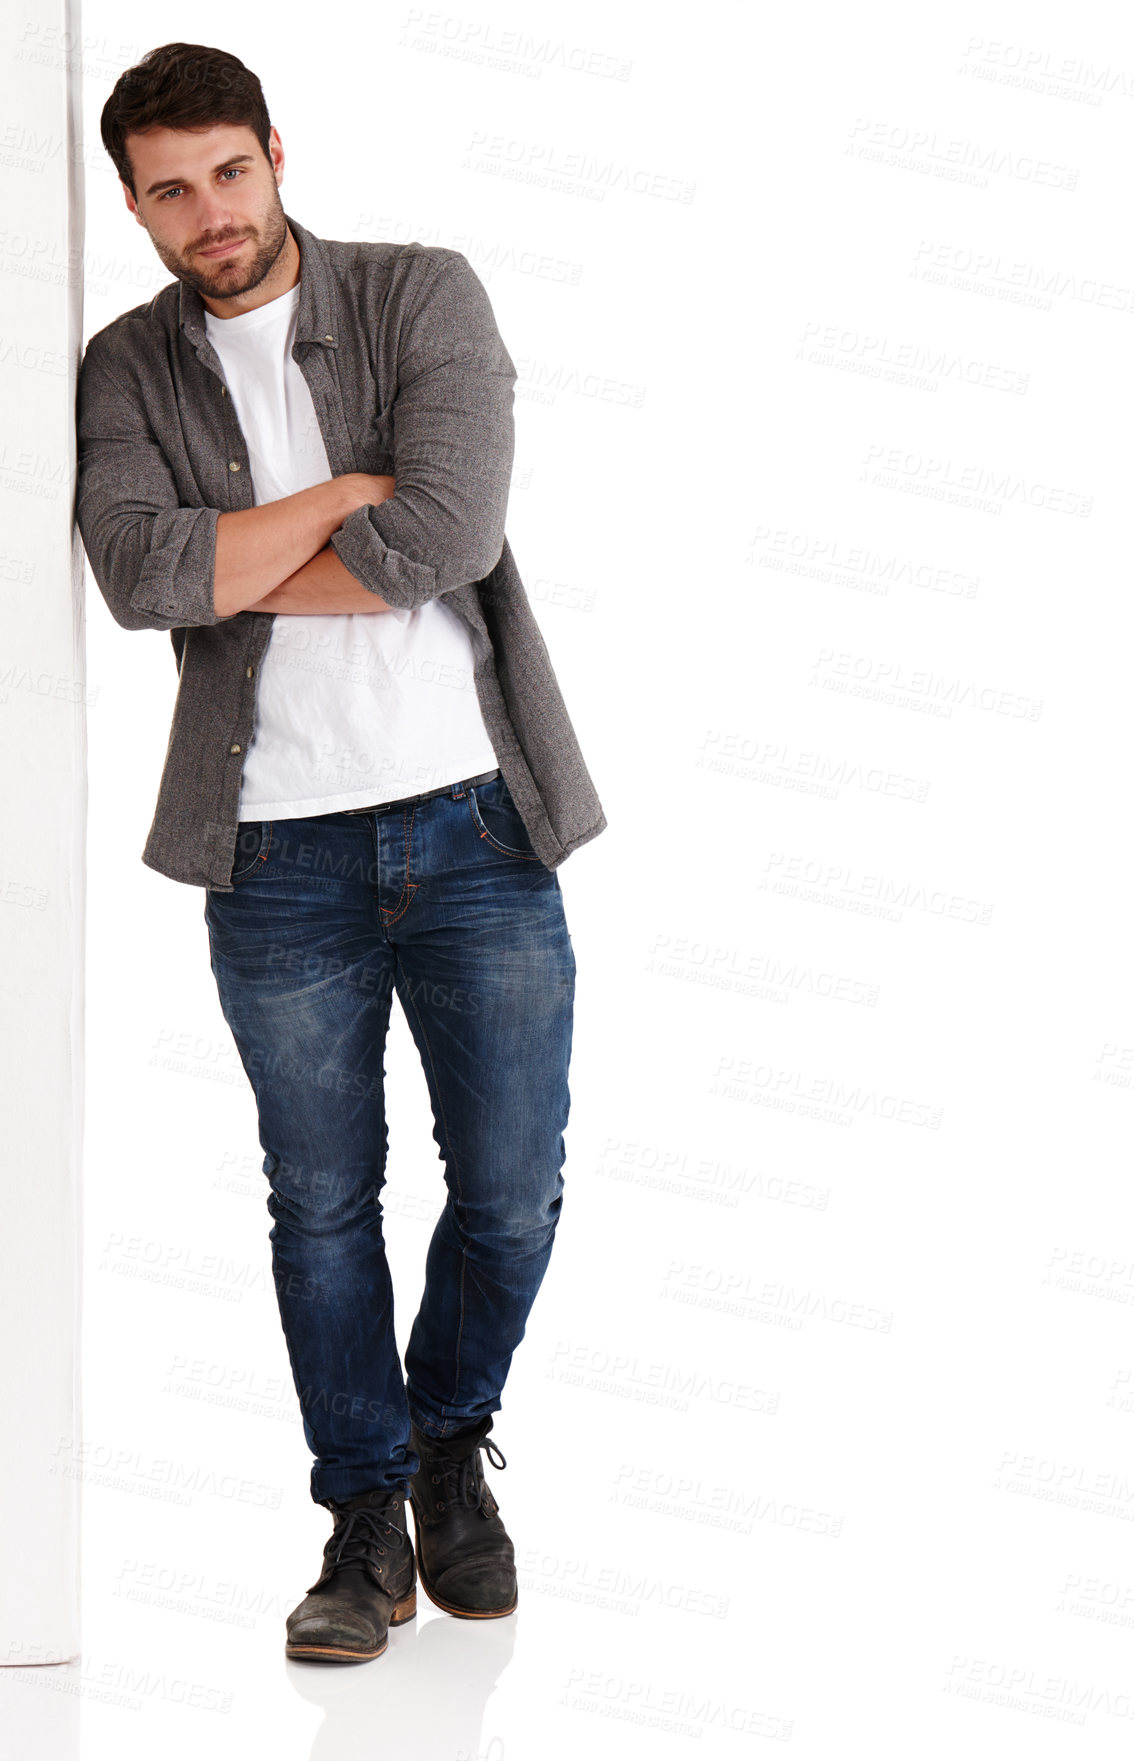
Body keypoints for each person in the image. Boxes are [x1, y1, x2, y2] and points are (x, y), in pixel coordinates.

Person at [77, 41, 607, 1666]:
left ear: (274, 153)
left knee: (511, 1186)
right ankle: (362, 1512)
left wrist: (244, 554)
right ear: (135, 207)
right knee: (321, 1200)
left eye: (227, 172)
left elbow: (445, 533)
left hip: (472, 818)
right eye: (169, 190)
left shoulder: (420, 292)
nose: (207, 213)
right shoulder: (124, 366)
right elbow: (139, 572)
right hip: (276, 849)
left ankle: (451, 1443)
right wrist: (339, 501)